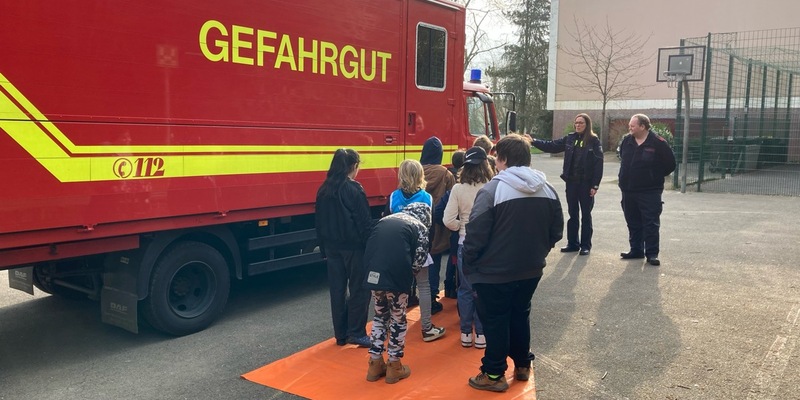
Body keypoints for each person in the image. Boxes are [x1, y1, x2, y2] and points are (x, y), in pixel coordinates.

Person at [462, 134, 564, 392]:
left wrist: (470, 263)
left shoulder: (493, 190)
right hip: (530, 269)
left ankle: (494, 373)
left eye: (497, 157)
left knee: (495, 320)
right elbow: (556, 231)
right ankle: (521, 365)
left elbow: (475, 234)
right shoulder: (547, 188)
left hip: (493, 272)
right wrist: (539, 251)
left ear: (502, 159)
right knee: (520, 314)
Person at [363, 202, 432, 384]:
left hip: (373, 272)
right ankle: (394, 365)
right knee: (398, 318)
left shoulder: (385, 220)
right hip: (397, 277)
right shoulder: (420, 226)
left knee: (379, 316)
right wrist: (409, 278)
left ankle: (374, 363)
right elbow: (419, 260)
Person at [314, 149, 374, 348]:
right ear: (353, 167)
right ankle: (356, 332)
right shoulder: (354, 189)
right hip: (354, 248)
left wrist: (323, 248)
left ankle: (340, 334)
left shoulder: (323, 189)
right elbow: (364, 222)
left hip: (331, 248)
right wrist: (371, 248)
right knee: (359, 289)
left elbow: (318, 222)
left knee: (337, 290)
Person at [386, 159, 446, 342]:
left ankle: (393, 325)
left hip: (398, 249)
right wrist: (428, 247)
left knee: (396, 288)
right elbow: (431, 226)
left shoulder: (393, 196)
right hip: (419, 248)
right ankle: (427, 328)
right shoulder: (426, 198)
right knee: (424, 286)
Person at [443, 146, 494, 350]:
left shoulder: (458, 189)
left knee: (465, 289)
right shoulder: (492, 187)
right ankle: (481, 334)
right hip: (487, 245)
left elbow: (447, 219)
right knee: (482, 290)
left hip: (465, 243)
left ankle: (465, 333)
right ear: (485, 165)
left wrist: (461, 227)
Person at [531, 113, 603, 255]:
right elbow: (552, 146)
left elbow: (598, 164)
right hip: (572, 183)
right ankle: (572, 243)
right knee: (573, 213)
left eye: (581, 123)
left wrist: (595, 185)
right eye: (576, 123)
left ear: (587, 125)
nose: (577, 125)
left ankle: (585, 245)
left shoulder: (594, 141)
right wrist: (533, 141)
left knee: (586, 215)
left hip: (586, 184)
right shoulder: (570, 138)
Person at [618, 114, 676, 266]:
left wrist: (653, 176)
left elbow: (670, 164)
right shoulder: (627, 141)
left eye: (632, 126)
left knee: (650, 223)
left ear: (642, 127)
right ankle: (636, 250)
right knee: (632, 221)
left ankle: (652, 254)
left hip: (649, 191)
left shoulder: (658, 143)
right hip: (628, 190)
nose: (629, 128)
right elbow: (622, 159)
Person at [419, 136, 455, 314]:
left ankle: (414, 294)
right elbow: (451, 199)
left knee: (416, 261)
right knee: (435, 260)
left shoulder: (416, 172)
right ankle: (432, 296)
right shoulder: (446, 174)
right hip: (438, 226)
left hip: (418, 224)